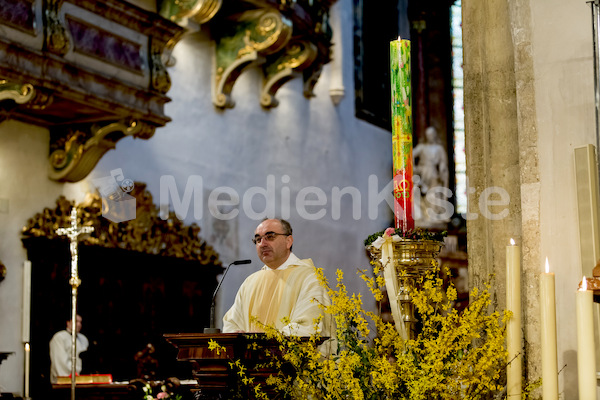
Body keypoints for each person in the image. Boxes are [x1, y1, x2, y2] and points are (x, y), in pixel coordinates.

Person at [222, 218, 331, 337]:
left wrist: (268, 339)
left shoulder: (308, 278)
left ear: (288, 241)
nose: (263, 244)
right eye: (258, 239)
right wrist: (236, 334)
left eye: (270, 237)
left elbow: (308, 325)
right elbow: (231, 323)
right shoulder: (250, 282)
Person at [413, 126, 450, 226]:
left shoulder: (439, 148)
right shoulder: (422, 147)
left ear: (435, 135)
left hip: (433, 172)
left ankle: (432, 215)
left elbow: (443, 162)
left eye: (432, 134)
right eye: (428, 135)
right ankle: (422, 216)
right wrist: (414, 168)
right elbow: (410, 155)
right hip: (422, 172)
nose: (430, 137)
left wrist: (442, 169)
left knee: (433, 194)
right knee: (419, 192)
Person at [49, 314, 89, 383]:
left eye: (80, 322)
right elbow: (60, 361)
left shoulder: (83, 339)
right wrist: (74, 373)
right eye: (76, 321)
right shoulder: (59, 337)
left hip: (81, 379)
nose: (79, 324)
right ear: (68, 322)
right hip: (65, 378)